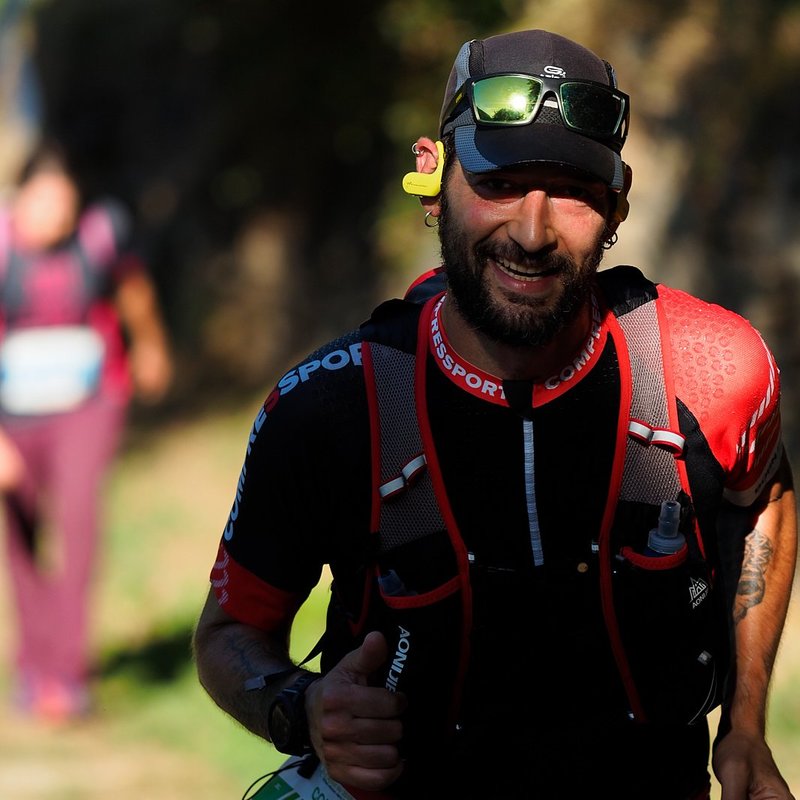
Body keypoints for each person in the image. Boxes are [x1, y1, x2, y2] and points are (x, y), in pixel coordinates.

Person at [192, 29, 797, 799]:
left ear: (616, 206)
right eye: (500, 181)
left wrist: (745, 728)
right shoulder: (329, 409)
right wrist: (302, 708)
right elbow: (228, 636)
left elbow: (764, 497)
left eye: (572, 190)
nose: (532, 232)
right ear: (432, 180)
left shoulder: (714, 369)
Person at [0, 140, 173, 722]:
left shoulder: (99, 236)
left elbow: (131, 288)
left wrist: (149, 344)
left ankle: (70, 674)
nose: (55, 218)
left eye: (65, 206)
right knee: (21, 534)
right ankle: (35, 664)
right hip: (12, 413)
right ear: (20, 198)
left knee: (77, 519)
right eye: (44, 204)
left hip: (88, 403)